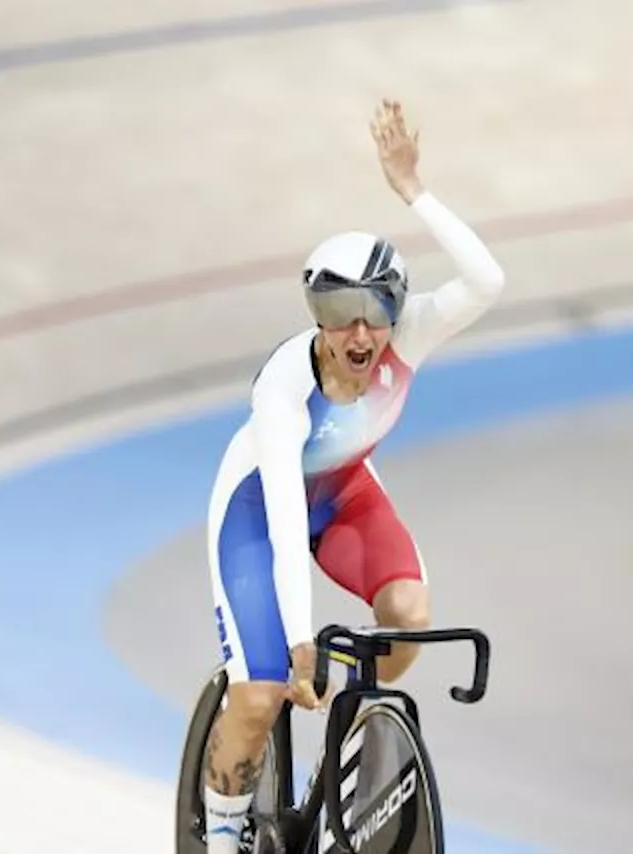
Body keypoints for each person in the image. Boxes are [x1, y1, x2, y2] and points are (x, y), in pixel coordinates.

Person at [201, 99, 505, 851]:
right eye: (339, 315)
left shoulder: (412, 334)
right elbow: (277, 521)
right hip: (256, 514)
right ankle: (223, 828)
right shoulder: (284, 390)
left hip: (344, 496)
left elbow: (487, 280)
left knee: (408, 612)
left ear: (395, 312)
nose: (359, 334)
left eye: (373, 313)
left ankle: (354, 722)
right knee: (263, 693)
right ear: (316, 317)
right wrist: (300, 641)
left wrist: (413, 191)